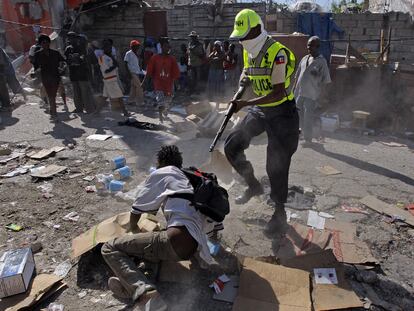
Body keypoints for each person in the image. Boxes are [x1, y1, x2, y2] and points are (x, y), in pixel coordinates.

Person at [101, 145, 214, 304]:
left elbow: (138, 208)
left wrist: (134, 230)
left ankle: (145, 293)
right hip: (193, 248)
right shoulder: (189, 178)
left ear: (160, 162)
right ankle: (140, 285)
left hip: (175, 241)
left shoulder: (163, 172)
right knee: (151, 249)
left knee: (109, 247)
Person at [224, 9, 299, 230]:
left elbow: (278, 92)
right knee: (231, 146)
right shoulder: (249, 51)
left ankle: (279, 211)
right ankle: (253, 185)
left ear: (256, 29)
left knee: (276, 164)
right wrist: (239, 92)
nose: (242, 40)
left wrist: (244, 104)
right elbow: (247, 76)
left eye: (245, 35)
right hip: (261, 109)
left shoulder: (278, 53)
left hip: (282, 112)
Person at [293, 36, 331, 146]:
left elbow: (326, 81)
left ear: (317, 47)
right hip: (300, 93)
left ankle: (308, 140)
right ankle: (301, 133)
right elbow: (297, 76)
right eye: (308, 45)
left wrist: (322, 97)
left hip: (312, 94)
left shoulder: (321, 62)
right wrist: (293, 90)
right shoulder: (305, 59)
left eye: (311, 45)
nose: (308, 47)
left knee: (308, 117)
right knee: (297, 114)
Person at [141, 38, 180, 122]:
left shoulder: (172, 59)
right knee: (160, 100)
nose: (168, 49)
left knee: (168, 100)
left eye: (169, 47)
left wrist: (177, 84)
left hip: (169, 84)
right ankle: (160, 117)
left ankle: (164, 112)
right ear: (161, 47)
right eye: (166, 47)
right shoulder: (155, 58)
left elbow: (175, 73)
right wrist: (144, 82)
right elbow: (149, 71)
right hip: (158, 83)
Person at [34, 34, 66, 120]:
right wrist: (35, 73)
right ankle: (53, 112)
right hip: (45, 78)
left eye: (46, 42)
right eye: (43, 43)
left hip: (55, 77)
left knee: (53, 95)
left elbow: (63, 62)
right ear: (40, 44)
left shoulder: (55, 53)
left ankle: (53, 112)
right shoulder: (37, 54)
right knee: (50, 95)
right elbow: (36, 67)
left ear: (49, 43)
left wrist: (62, 69)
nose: (45, 44)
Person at [65, 32, 96, 114]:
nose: (71, 40)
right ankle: (79, 109)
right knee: (76, 93)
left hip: (83, 74)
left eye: (72, 38)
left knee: (85, 92)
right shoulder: (68, 49)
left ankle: (89, 109)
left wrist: (78, 59)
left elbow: (86, 60)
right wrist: (71, 61)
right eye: (69, 38)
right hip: (74, 74)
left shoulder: (82, 48)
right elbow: (66, 60)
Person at [98, 41, 129, 116]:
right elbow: (106, 70)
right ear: (104, 49)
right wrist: (114, 66)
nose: (110, 49)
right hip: (110, 79)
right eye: (109, 48)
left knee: (105, 97)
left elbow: (116, 64)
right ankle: (125, 112)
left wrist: (112, 58)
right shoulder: (102, 58)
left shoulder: (109, 56)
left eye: (111, 48)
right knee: (120, 96)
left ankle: (97, 111)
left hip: (111, 79)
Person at [124, 40, 144, 106]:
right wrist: (128, 73)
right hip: (132, 72)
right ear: (132, 47)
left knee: (134, 88)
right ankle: (140, 102)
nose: (137, 48)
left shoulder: (136, 54)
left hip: (136, 72)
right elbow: (125, 63)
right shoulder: (128, 53)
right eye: (136, 46)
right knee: (139, 87)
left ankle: (130, 101)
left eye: (138, 46)